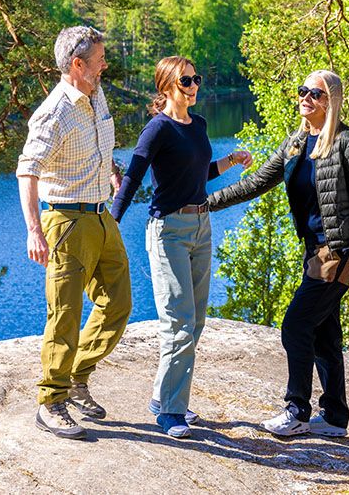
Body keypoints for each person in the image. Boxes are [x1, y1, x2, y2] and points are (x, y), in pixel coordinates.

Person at [208, 70, 349, 437]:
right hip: (314, 254)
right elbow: (256, 183)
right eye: (302, 91)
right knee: (324, 335)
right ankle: (334, 417)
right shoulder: (296, 144)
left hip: (338, 254)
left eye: (314, 93)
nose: (305, 98)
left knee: (296, 326)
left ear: (330, 101)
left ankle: (297, 409)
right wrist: (206, 203)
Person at [111, 56, 251, 438]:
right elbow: (133, 179)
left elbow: (198, 172)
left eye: (196, 79)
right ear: (167, 86)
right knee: (179, 323)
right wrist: (110, 223)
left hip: (201, 226)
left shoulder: (199, 125)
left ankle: (162, 397)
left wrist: (230, 161)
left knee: (196, 322)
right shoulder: (157, 130)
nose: (194, 86)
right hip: (169, 230)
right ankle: (171, 412)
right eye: (186, 80)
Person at [16, 26, 132, 441]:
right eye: (99, 58)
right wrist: (34, 230)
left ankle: (77, 376)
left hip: (102, 216)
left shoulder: (95, 94)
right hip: (65, 221)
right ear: (77, 64)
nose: (104, 64)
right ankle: (51, 402)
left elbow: (100, 146)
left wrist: (112, 172)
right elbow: (27, 170)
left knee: (118, 303)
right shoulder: (53, 112)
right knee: (64, 314)